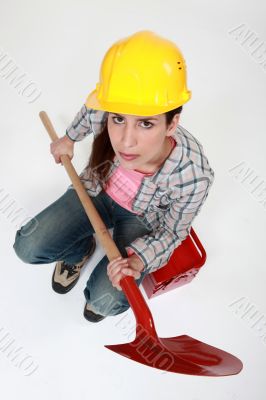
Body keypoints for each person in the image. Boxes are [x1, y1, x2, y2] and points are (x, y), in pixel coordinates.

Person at [13, 30, 215, 323]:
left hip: (141, 219)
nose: (125, 141)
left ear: (172, 124)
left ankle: (103, 291)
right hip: (97, 188)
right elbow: (93, 110)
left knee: (104, 302)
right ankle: (79, 252)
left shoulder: (194, 175)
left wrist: (137, 260)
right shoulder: (107, 110)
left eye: (146, 123)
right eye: (119, 118)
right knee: (28, 247)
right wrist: (69, 138)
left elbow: (172, 232)